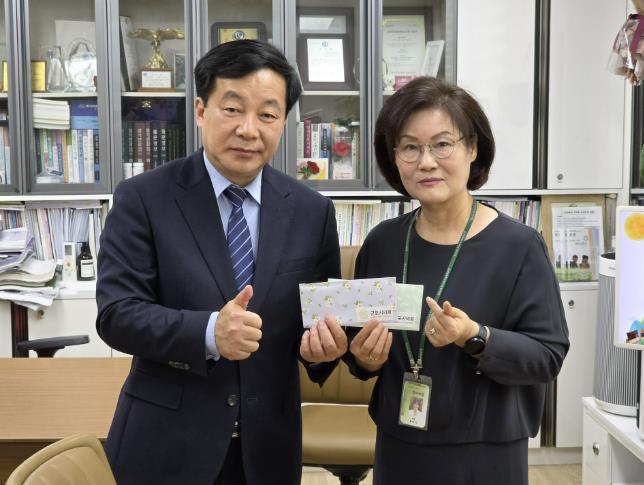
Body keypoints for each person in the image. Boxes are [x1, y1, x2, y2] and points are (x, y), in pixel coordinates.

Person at [96, 40, 347, 485]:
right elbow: (117, 315)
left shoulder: (312, 212)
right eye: (232, 109)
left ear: (283, 122)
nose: (249, 129)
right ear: (200, 110)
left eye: (267, 115)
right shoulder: (143, 198)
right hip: (166, 446)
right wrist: (210, 332)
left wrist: (322, 351)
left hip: (266, 452)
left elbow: (317, 327)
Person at [343, 77, 570, 485]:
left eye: (442, 144)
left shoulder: (519, 246)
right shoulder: (382, 243)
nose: (426, 162)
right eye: (410, 147)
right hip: (400, 444)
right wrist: (365, 359)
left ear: (472, 148)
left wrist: (474, 335)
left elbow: (547, 356)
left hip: (486, 451)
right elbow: (360, 353)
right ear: (394, 157)